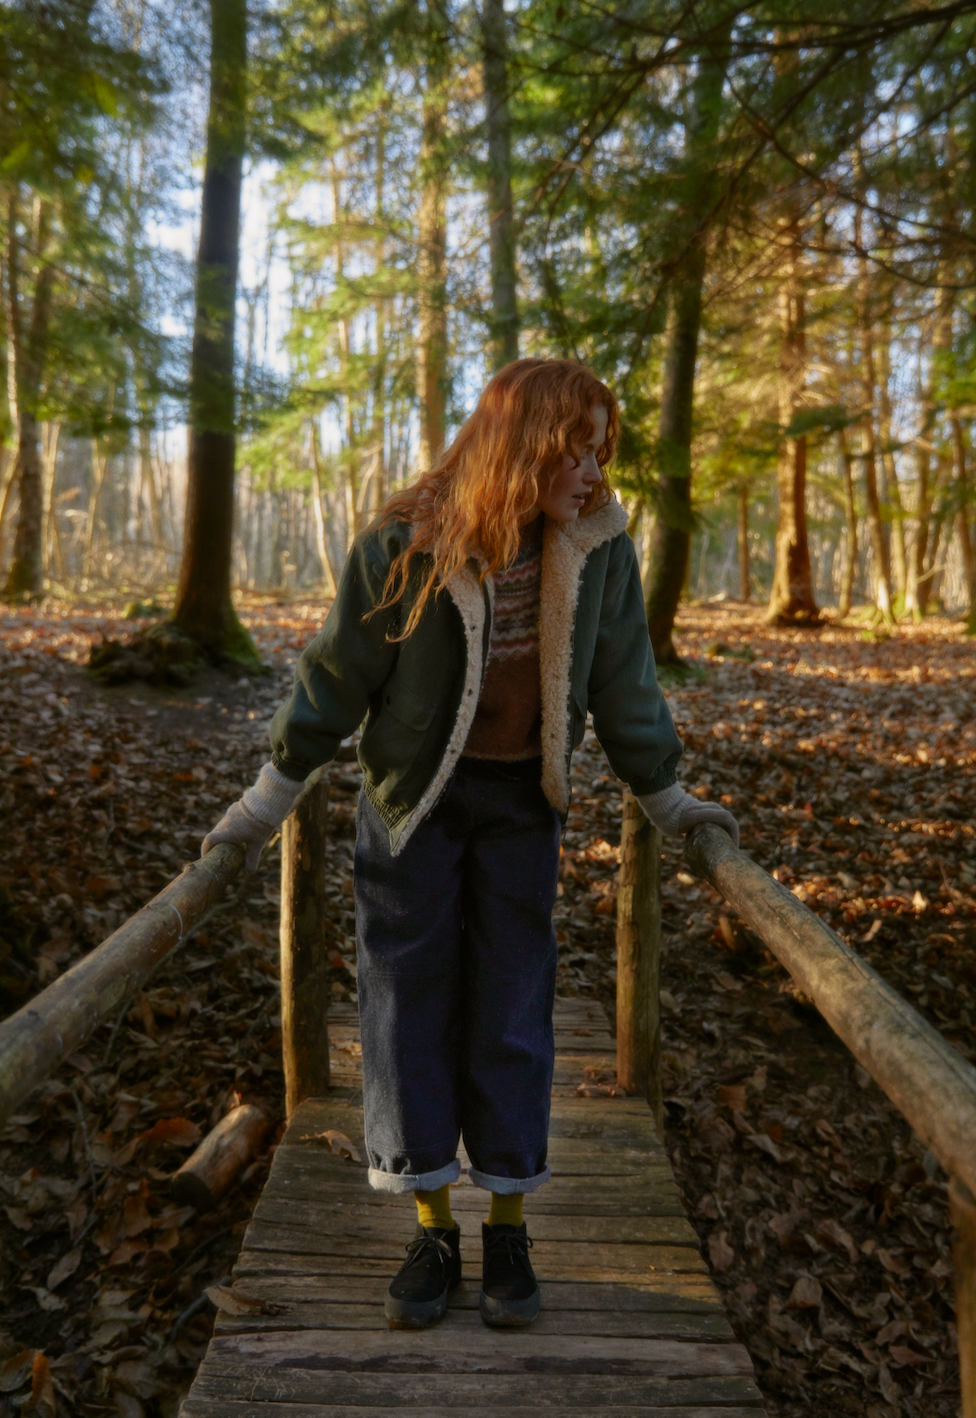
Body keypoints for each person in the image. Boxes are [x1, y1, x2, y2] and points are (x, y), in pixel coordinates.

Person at [202, 358, 738, 1330]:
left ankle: (507, 1222)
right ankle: (432, 1223)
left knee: (510, 1009)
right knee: (408, 1007)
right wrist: (268, 795)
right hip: (412, 807)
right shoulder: (407, 542)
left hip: (521, 805)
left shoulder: (599, 546)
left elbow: (625, 685)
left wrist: (667, 798)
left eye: (600, 449)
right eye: (574, 449)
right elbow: (335, 678)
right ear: (522, 444)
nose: (591, 470)